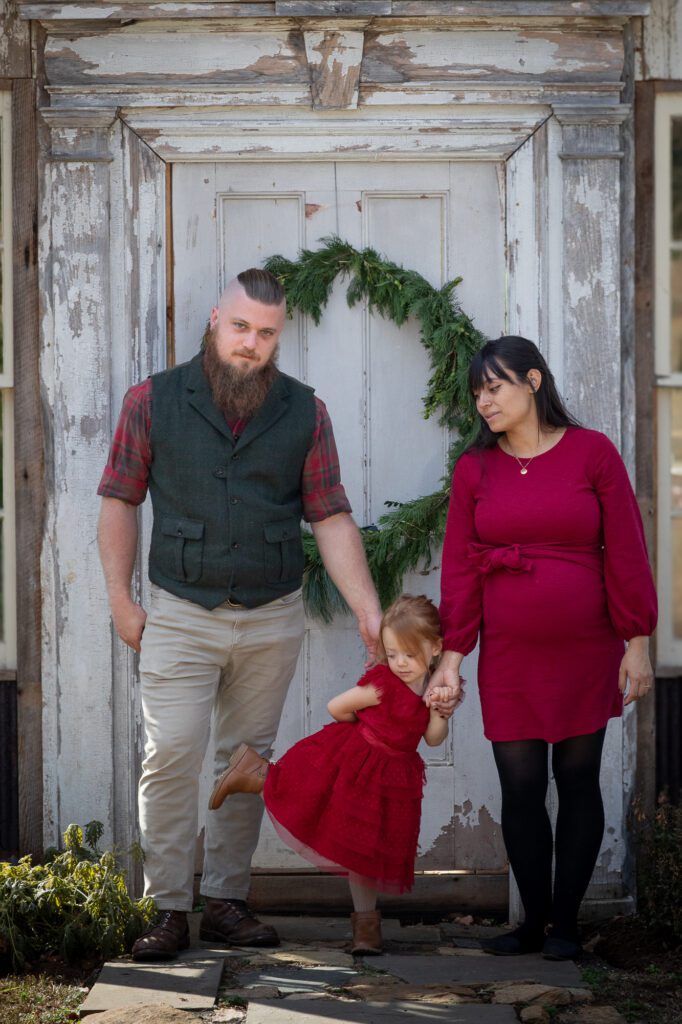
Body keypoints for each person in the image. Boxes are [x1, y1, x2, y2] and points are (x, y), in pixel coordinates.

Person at [97, 268, 382, 961]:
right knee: (171, 754)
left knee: (248, 759)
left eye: (265, 333)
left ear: (278, 336)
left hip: (271, 614)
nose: (251, 344)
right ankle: (166, 907)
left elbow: (331, 515)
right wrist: (119, 599)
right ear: (215, 318)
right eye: (240, 327)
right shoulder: (151, 401)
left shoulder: (305, 411)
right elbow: (119, 500)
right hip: (179, 610)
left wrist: (369, 613)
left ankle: (226, 900)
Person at [430, 336, 657, 961]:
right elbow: (460, 569)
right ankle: (532, 922)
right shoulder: (475, 468)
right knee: (522, 787)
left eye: (494, 387)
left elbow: (628, 553)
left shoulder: (593, 453)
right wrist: (452, 656)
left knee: (578, 777)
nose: (484, 401)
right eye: (477, 392)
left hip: (587, 649)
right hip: (510, 655)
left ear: (533, 381)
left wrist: (636, 644)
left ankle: (565, 927)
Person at [207, 594, 456, 955]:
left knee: (368, 852)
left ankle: (367, 928)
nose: (400, 663)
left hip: (394, 777)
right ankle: (254, 773)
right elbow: (337, 707)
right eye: (392, 653)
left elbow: (433, 739)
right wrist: (366, 732)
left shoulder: (434, 688)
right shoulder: (382, 684)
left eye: (410, 654)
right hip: (356, 758)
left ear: (436, 648)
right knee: (310, 802)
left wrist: (439, 713)